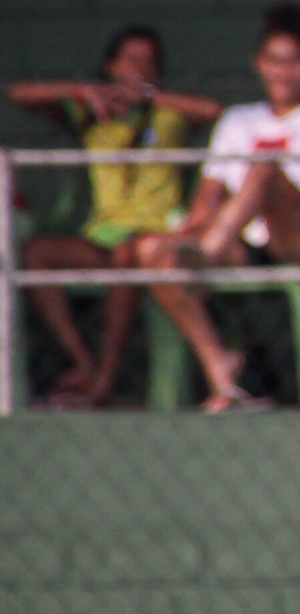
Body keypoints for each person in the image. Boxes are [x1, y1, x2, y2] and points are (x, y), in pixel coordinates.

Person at [135, 4, 300, 412]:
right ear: (259, 65)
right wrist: (184, 232)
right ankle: (220, 368)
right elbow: (207, 198)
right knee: (150, 251)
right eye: (275, 61)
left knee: (263, 170)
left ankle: (208, 253)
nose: (284, 72)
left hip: (296, 234)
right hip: (240, 238)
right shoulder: (237, 120)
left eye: (294, 62)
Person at [7, 26, 221, 407]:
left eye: (149, 61)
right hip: (102, 235)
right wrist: (84, 92)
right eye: (131, 59)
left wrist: (148, 96)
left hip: (153, 238)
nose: (140, 68)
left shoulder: (167, 112)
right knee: (35, 253)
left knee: (126, 254)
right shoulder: (89, 114)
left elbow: (211, 111)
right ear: (110, 65)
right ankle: (83, 363)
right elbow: (19, 95)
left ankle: (106, 379)